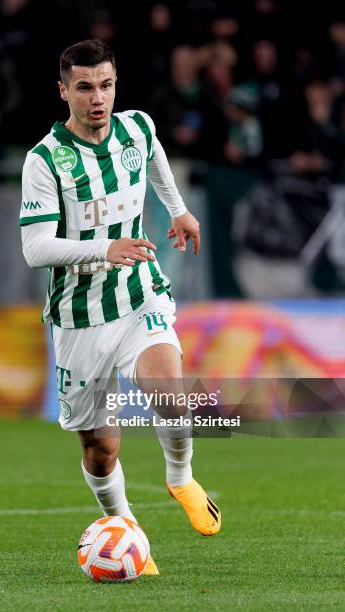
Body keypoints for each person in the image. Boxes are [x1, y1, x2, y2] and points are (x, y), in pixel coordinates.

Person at [20, 39, 221, 575]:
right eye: (84, 87)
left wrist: (177, 211)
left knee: (170, 393)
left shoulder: (137, 126)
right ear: (64, 91)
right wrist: (104, 247)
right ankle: (128, 531)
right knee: (101, 448)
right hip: (79, 316)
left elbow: (154, 157)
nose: (97, 98)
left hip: (138, 292)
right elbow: (36, 248)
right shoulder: (45, 161)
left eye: (105, 85)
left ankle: (180, 478)